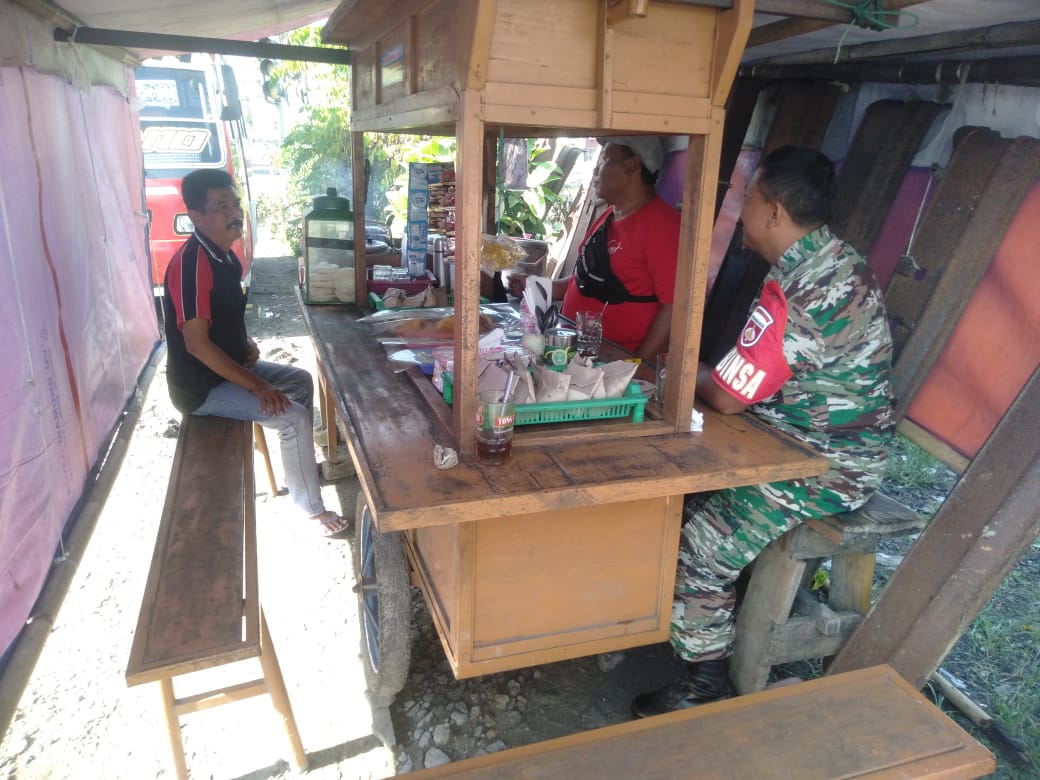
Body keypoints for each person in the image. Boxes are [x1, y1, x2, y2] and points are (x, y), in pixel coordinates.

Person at [631, 146, 894, 717]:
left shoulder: (803, 286)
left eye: (748, 198)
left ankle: (701, 685)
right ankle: (678, 624)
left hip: (827, 466)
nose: (743, 208)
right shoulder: (830, 261)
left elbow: (727, 393)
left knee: (696, 551)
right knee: (685, 493)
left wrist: (679, 369)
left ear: (774, 211)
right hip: (807, 440)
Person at [162, 169, 349, 538]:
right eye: (222, 206)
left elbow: (225, 320)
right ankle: (310, 508)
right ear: (197, 216)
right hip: (201, 388)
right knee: (292, 417)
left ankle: (301, 468)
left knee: (300, 380)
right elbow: (197, 344)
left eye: (236, 204)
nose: (236, 213)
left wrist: (246, 348)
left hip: (227, 368)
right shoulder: (192, 264)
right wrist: (257, 386)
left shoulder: (225, 257)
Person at [509, 136, 680, 362]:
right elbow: (585, 280)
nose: (595, 171)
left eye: (604, 160)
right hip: (578, 353)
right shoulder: (608, 217)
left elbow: (675, 308)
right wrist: (536, 286)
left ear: (632, 165)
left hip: (617, 362)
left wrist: (639, 366)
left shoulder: (663, 226)